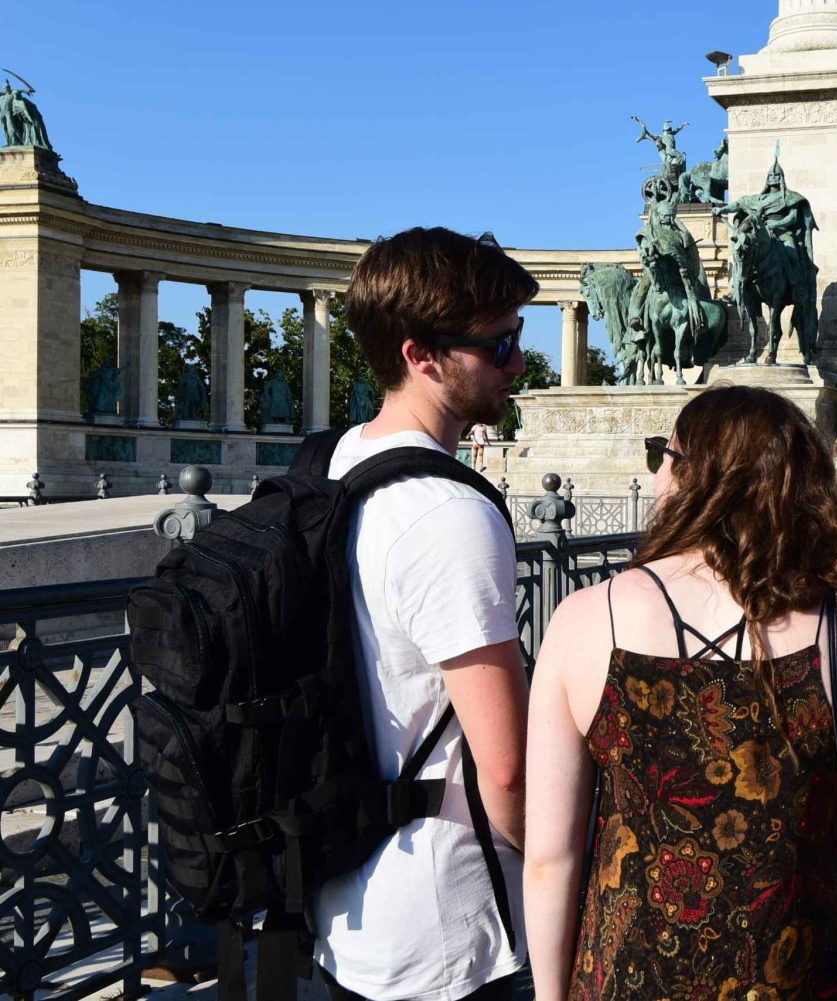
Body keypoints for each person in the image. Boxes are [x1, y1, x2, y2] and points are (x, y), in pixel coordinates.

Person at [523, 384, 837, 1001]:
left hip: (629, 980)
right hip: (796, 980)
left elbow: (550, 859)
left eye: (663, 455)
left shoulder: (586, 618)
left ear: (693, 475)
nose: (657, 475)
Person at [312, 227, 535, 1001]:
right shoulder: (448, 514)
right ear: (421, 355)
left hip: (348, 905)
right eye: (499, 343)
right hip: (449, 929)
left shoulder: (335, 464)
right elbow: (505, 764)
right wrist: (563, 873)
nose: (519, 361)